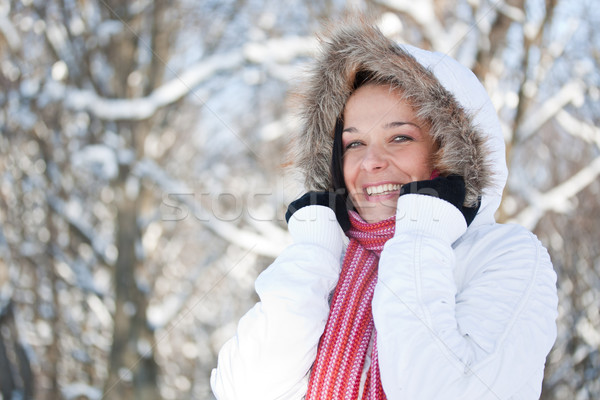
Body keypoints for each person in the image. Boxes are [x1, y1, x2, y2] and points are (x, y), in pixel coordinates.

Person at [210, 18, 558, 399]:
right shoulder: (325, 260)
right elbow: (246, 390)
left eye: (399, 137)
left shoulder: (506, 255)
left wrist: (422, 229)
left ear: (448, 148)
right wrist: (314, 249)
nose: (371, 162)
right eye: (354, 143)